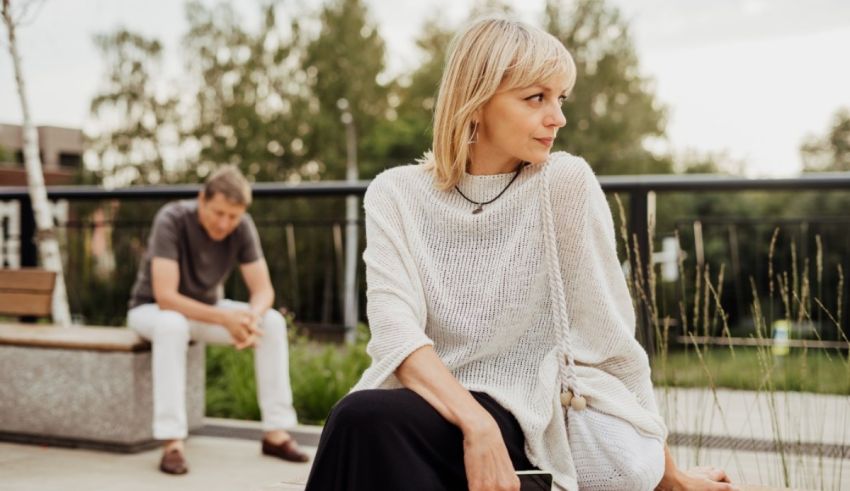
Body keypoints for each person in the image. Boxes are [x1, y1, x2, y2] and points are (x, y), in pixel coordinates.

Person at [304, 17, 736, 491]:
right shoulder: (395, 194)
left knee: (365, 428)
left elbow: (613, 348)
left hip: (528, 424)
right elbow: (396, 336)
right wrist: (475, 426)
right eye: (536, 98)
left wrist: (668, 476)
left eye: (560, 98)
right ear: (477, 100)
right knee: (361, 419)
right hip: (434, 413)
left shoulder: (563, 184)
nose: (558, 117)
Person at [127, 165, 309, 475]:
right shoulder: (171, 219)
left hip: (206, 310)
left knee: (273, 323)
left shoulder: (242, 226)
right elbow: (166, 296)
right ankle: (172, 441)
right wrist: (226, 318)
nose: (225, 223)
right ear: (201, 199)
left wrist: (250, 319)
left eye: (233, 216)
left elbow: (263, 290)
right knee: (173, 325)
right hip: (152, 309)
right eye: (218, 213)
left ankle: (276, 433)